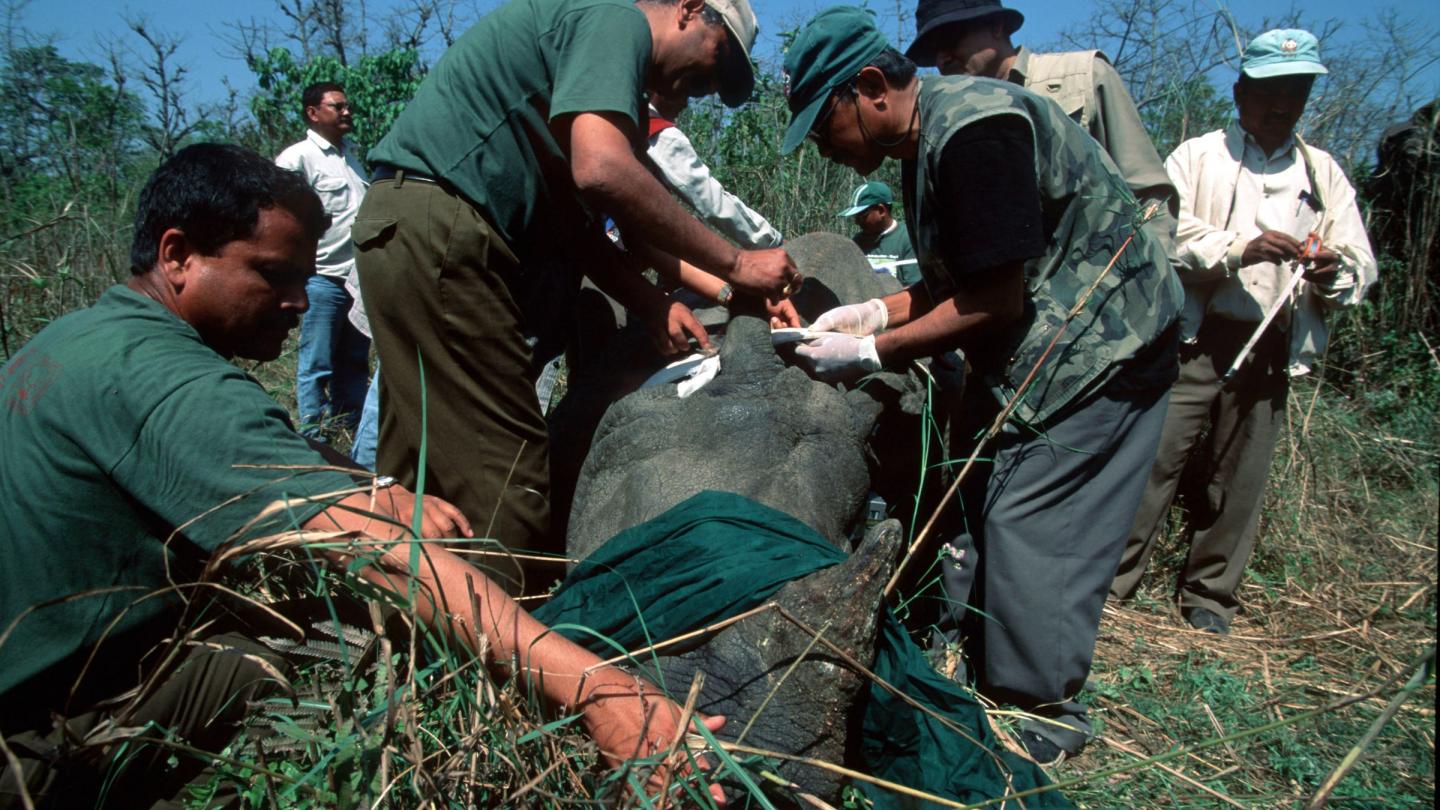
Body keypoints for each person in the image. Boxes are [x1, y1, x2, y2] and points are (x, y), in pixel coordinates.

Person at [0, 144, 723, 808]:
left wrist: (378, 488)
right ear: (178, 254)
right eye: (273, 274)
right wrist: (600, 693)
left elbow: (285, 457)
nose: (297, 302)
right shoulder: (165, 383)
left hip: (44, 690)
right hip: (30, 748)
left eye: (305, 277)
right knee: (362, 644)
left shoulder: (87, 339)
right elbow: (371, 551)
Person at [781, 6, 1182, 765]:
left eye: (822, 124)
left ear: (868, 88)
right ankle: (996, 669)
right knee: (994, 504)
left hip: (1107, 345)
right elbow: (963, 279)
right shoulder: (925, 137)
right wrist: (872, 309)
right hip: (1053, 342)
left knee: (1034, 519)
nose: (825, 152)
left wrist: (872, 353)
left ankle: (1045, 715)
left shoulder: (974, 131)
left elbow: (995, 302)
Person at [354, 0, 799, 593]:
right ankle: (503, 660)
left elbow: (580, 224)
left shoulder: (580, 69)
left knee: (418, 469)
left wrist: (656, 301)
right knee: (506, 476)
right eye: (716, 64)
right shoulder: (616, 19)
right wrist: (740, 264)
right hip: (445, 229)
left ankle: (402, 643)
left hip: (409, 226)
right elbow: (604, 172)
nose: (704, 89)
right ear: (691, 10)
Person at [1110, 30, 1377, 634]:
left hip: (1271, 344)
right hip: (1194, 337)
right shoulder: (1196, 157)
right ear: (1241, 91)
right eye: (1271, 90)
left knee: (1242, 474)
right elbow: (1159, 236)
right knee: (1154, 459)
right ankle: (1115, 581)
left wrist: (1332, 269)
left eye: (1297, 91)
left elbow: (1361, 267)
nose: (1283, 104)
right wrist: (1239, 249)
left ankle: (1209, 597)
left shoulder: (1323, 172)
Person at [905, 0, 1178, 263]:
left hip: (1105, 290)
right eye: (934, 48)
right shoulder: (946, 122)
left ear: (996, 26)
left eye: (950, 38)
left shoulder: (1083, 77)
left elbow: (1148, 193)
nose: (943, 57)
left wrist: (1162, 287)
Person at [275, 82, 372, 445]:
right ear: (313, 113)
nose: (346, 112)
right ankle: (312, 439)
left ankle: (349, 434)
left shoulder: (353, 157)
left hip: (358, 279)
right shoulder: (297, 159)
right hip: (322, 278)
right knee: (317, 363)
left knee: (354, 362)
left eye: (348, 106)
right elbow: (280, 217)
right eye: (337, 106)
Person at [837, 180, 917, 284]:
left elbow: (914, 288)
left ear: (881, 210)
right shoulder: (857, 242)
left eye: (862, 216)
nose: (856, 222)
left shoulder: (908, 238)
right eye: (855, 217)